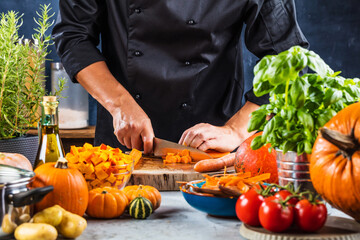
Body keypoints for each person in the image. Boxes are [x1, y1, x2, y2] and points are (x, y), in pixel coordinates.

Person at [52, 0, 308, 154]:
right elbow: (74, 37)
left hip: (214, 148)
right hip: (124, 145)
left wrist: (236, 130)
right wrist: (120, 105)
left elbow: (288, 57)